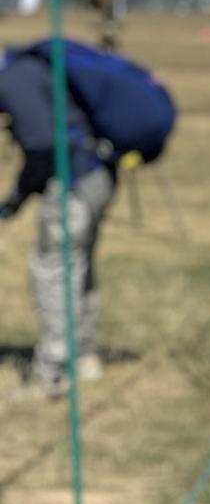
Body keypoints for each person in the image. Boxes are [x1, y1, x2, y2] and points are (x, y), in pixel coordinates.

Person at [0, 38, 173, 397]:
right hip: (98, 173)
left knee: (52, 268)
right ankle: (83, 356)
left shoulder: (14, 78)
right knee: (77, 264)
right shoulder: (30, 66)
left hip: (74, 183)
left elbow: (42, 146)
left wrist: (16, 198)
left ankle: (53, 370)